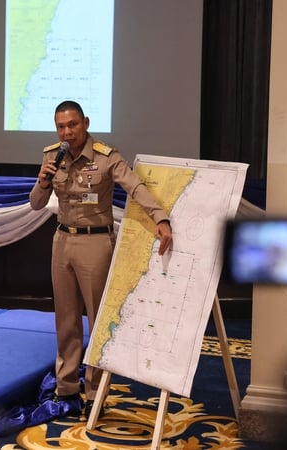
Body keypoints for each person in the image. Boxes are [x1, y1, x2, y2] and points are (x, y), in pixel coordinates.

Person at [29, 100, 173, 414]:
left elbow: (136, 187)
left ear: (86, 123)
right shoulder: (52, 155)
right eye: (61, 126)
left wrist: (160, 218)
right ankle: (66, 388)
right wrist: (42, 181)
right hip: (62, 240)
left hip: (95, 244)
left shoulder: (107, 157)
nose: (67, 132)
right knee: (65, 320)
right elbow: (36, 204)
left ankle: (95, 393)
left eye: (73, 125)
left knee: (97, 322)